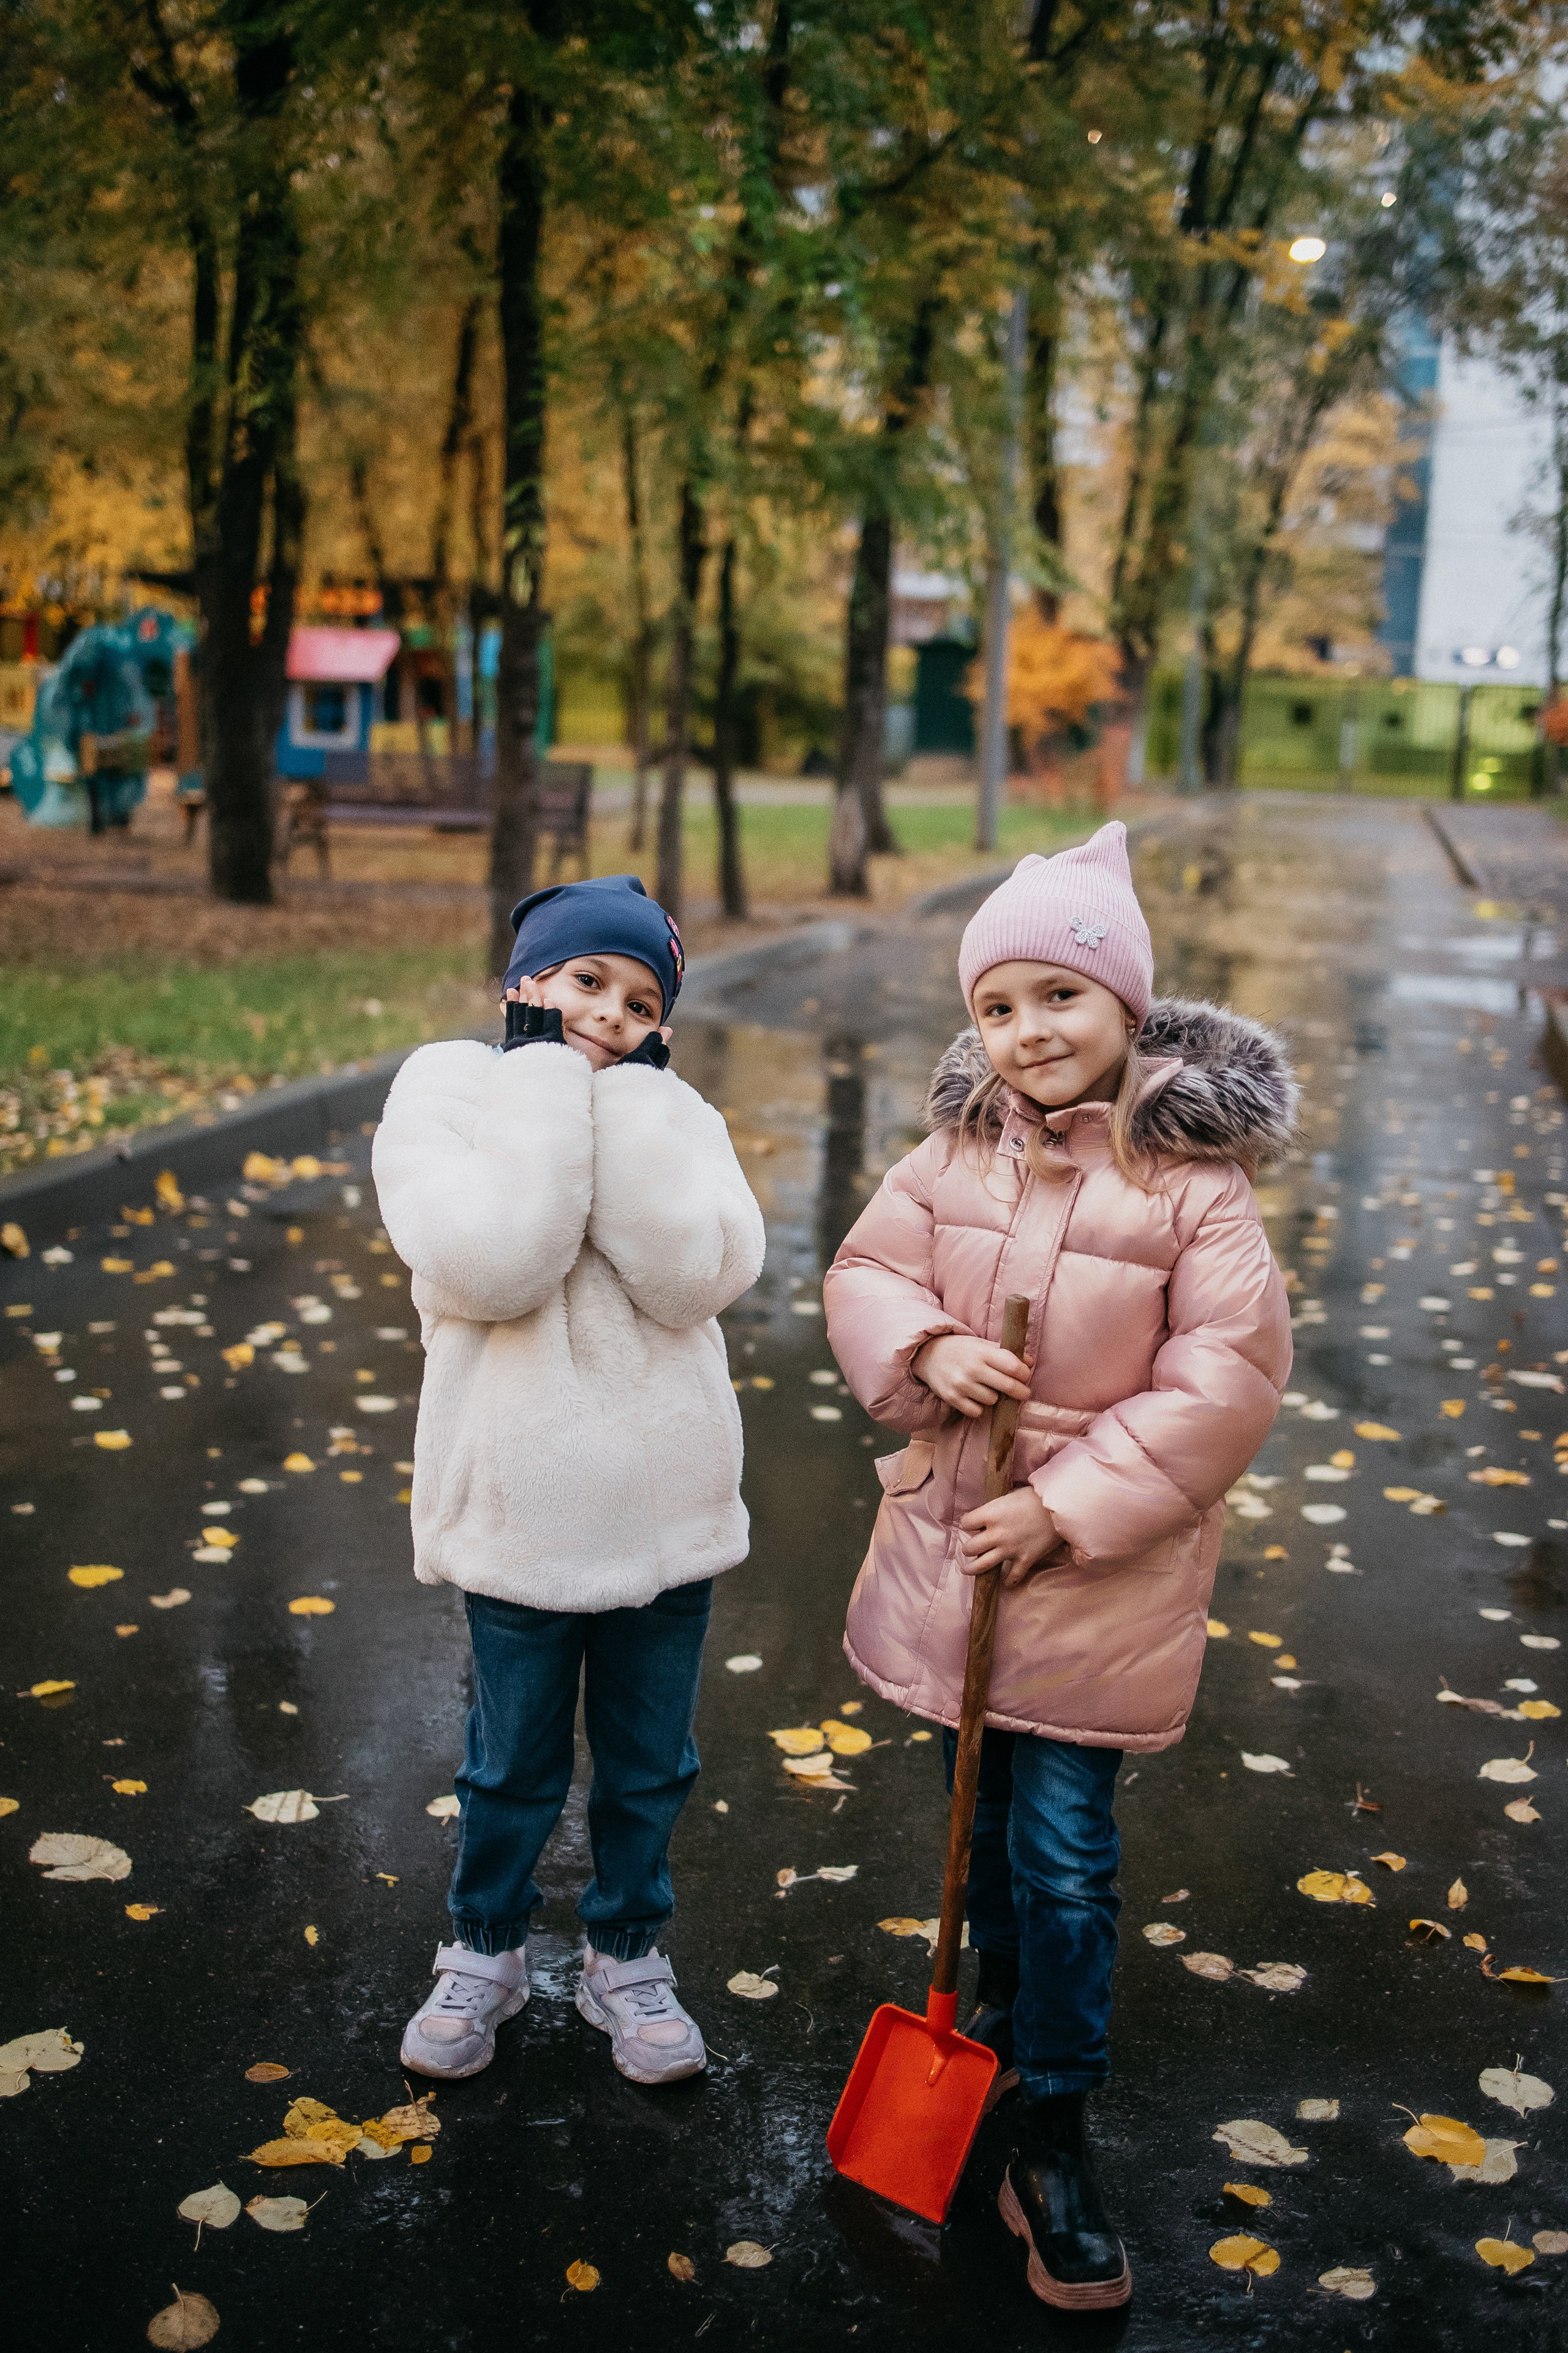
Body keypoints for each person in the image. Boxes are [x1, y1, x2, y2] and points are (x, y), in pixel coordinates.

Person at [823, 823, 1294, 2310]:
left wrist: (1068, 1505)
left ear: (1127, 1007)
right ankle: (989, 2051)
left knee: (1067, 1861)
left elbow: (1224, 1380)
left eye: (1058, 998)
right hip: (951, 1572)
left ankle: (1054, 2129)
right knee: (979, 1845)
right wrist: (924, 1344)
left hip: (1089, 1587)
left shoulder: (1191, 1187)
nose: (1027, 1032)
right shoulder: (953, 1146)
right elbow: (863, 1271)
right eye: (996, 1005)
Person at [372, 874, 765, 2088]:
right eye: (586, 980)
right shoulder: (450, 1090)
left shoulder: (678, 1118)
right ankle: (482, 1947)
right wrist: (546, 1084)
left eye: (640, 999)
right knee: (512, 1761)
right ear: (522, 985)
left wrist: (637, 1115)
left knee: (650, 1763)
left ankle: (625, 1953)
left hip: (666, 1500)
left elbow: (691, 1277)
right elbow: (494, 1261)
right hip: (519, 1506)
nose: (609, 1012)